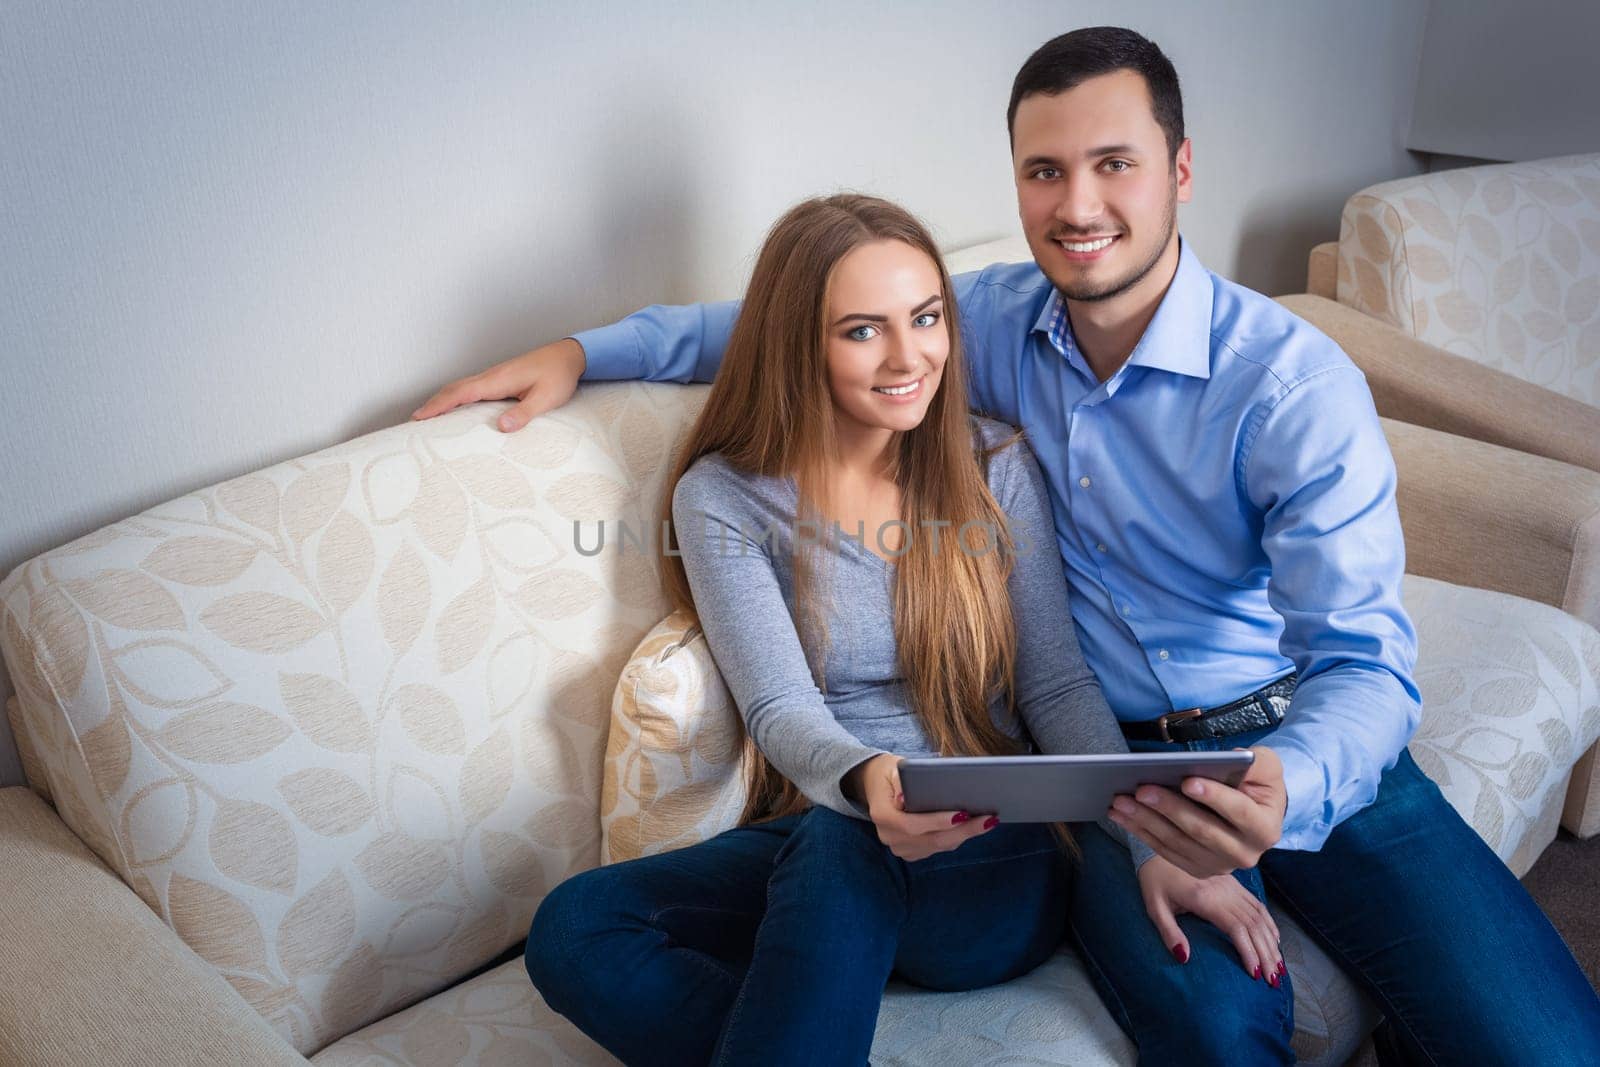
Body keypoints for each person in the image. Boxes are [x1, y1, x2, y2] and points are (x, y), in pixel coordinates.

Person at [420, 27, 1600, 1066]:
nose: (1077, 205)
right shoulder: (983, 321)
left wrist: (1284, 786)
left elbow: (1365, 660)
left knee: (1540, 1043)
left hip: (1285, 727)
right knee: (1212, 1023)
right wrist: (588, 349)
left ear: (1180, 171)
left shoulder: (1286, 387)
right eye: (1045, 170)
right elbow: (781, 320)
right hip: (1100, 764)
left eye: (1113, 163)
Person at [520, 194, 1281, 1066]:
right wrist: (867, 778)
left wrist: (1143, 836)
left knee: (841, 843)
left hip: (1000, 857)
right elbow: (777, 705)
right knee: (578, 926)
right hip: (840, 831)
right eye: (862, 331)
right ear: (797, 343)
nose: (908, 356)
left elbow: (1056, 685)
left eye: (925, 318)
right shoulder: (723, 497)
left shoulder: (995, 462)